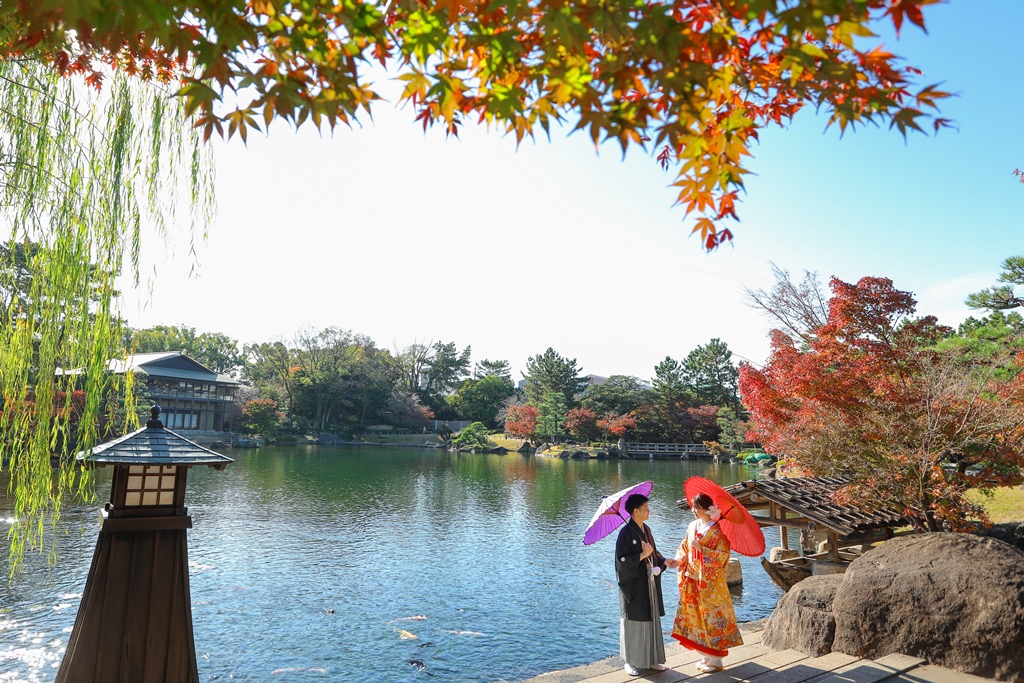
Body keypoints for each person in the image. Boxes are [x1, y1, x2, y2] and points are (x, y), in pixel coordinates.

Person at [670, 492, 743, 674]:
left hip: (711, 584)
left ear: (707, 508)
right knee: (696, 617)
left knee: (713, 618)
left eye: (697, 507)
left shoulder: (718, 531)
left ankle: (716, 659)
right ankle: (706, 654)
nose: (693, 511)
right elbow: (684, 547)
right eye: (693, 507)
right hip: (693, 579)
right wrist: (678, 561)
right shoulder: (692, 526)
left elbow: (723, 557)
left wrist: (702, 549)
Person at [614, 493, 679, 676]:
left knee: (651, 620)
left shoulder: (646, 529)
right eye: (645, 508)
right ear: (636, 511)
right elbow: (621, 562)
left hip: (648, 584)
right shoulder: (625, 534)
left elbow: (654, 554)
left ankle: (651, 659)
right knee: (634, 623)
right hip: (633, 586)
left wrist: (665, 561)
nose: (648, 511)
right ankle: (630, 661)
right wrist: (641, 555)